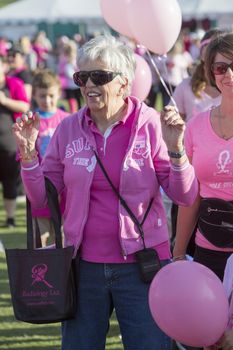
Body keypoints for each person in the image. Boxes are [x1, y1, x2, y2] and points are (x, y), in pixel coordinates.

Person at [12, 34, 198, 350]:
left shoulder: (151, 124)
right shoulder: (68, 128)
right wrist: (29, 156)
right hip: (82, 267)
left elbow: (184, 195)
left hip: (142, 267)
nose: (88, 84)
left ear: (124, 83)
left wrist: (177, 149)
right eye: (82, 77)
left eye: (99, 76)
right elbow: (42, 199)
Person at [173, 32, 233, 282]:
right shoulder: (196, 126)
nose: (229, 74)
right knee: (210, 323)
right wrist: (177, 255)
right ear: (212, 72)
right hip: (207, 252)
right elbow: (191, 196)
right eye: (221, 67)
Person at [31, 69, 69, 246]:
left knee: (61, 232)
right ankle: (42, 269)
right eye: (42, 96)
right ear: (34, 95)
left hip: (64, 187)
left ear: (59, 93)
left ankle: (61, 270)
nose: (47, 100)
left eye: (51, 95)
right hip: (40, 185)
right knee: (42, 235)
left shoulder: (67, 120)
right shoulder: (31, 121)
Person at [0, 55, 29, 227]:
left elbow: (25, 106)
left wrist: (4, 100)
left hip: (8, 142)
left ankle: (10, 218)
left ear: (4, 66)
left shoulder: (14, 84)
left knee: (9, 182)